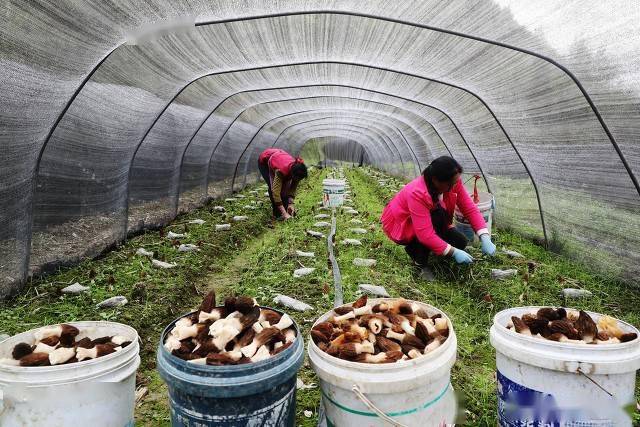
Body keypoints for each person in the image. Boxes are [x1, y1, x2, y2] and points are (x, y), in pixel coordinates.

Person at [381, 156, 496, 277]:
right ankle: (419, 262)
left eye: (455, 182)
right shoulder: (417, 193)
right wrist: (453, 252)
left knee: (460, 242)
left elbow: (469, 208)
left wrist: (484, 236)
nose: (453, 187)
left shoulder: (452, 182)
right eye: (450, 184)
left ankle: (437, 249)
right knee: (432, 227)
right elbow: (425, 234)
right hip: (403, 223)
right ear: (436, 180)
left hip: (433, 217)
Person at [258, 148, 308, 220]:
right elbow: (275, 192)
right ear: (292, 174)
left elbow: (293, 187)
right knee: (274, 188)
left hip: (279, 157)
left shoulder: (298, 170)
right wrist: (284, 213)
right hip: (265, 161)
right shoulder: (281, 171)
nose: (297, 181)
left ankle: (286, 210)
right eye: (296, 179)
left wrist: (291, 203)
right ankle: (278, 214)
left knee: (285, 190)